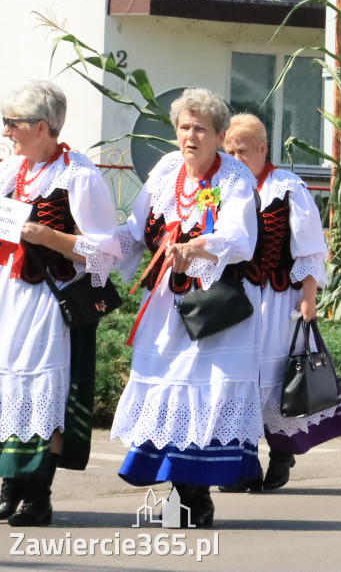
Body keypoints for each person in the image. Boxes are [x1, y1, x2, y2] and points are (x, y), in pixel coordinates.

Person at [110, 88, 261, 527]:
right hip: (166, 302)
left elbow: (239, 238)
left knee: (203, 393)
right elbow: (137, 228)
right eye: (183, 127)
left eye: (200, 129)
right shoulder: (166, 170)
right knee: (170, 389)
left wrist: (195, 246)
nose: (190, 136)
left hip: (214, 309)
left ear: (218, 135)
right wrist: (91, 246)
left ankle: (196, 497)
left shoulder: (234, 178)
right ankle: (184, 495)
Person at [0, 81, 121, 526]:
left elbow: (107, 249)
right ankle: (10, 485)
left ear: (42, 126)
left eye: (12, 123)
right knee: (8, 389)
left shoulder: (78, 175)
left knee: (44, 392)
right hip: (9, 295)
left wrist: (50, 237)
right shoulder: (13, 171)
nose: (7, 131)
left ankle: (38, 494)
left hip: (51, 301)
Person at [220, 114, 341, 493]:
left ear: (262, 149)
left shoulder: (286, 187)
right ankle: (240, 462)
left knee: (277, 379)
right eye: (228, 151)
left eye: (242, 151)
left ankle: (280, 452)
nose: (235, 158)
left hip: (277, 299)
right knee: (235, 379)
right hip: (233, 300)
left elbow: (309, 251)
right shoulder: (221, 186)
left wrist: (309, 299)